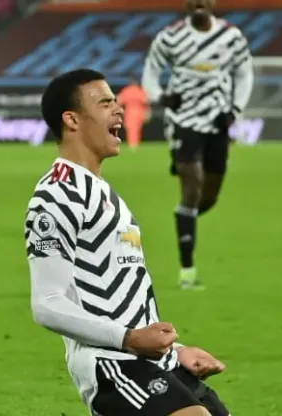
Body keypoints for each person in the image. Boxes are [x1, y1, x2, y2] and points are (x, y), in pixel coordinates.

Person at [25, 69, 231, 416]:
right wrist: (130, 339)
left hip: (149, 359)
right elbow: (47, 303)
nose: (119, 109)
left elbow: (120, 296)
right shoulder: (56, 196)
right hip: (110, 363)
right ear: (72, 120)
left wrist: (175, 350)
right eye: (105, 103)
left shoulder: (100, 190)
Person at [141, 0, 253, 289]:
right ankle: (187, 271)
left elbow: (244, 74)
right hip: (184, 120)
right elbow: (150, 72)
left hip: (217, 121)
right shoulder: (170, 37)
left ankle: (184, 218)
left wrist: (235, 110)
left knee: (209, 196)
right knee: (192, 189)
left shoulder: (231, 36)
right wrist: (161, 97)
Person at [117, 77, 150, 149]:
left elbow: (119, 101)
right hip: (139, 112)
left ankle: (133, 144)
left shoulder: (126, 90)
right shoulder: (140, 90)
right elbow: (146, 102)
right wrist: (147, 113)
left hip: (129, 111)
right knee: (136, 129)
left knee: (131, 128)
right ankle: (135, 144)